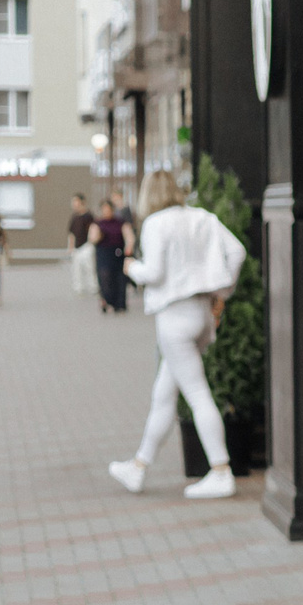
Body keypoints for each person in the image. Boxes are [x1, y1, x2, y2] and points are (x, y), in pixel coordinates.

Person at [107, 170, 245, 499]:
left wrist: (131, 269)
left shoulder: (156, 223)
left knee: (196, 394)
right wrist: (222, 292)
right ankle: (139, 467)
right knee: (164, 395)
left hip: (174, 318)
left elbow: (154, 272)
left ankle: (221, 470)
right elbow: (237, 252)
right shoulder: (203, 217)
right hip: (201, 314)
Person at [90, 195, 133, 312]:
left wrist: (129, 247)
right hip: (104, 253)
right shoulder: (98, 224)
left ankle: (119, 304)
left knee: (119, 279)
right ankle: (107, 300)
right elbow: (92, 238)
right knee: (105, 278)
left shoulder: (120, 222)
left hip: (118, 253)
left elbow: (128, 235)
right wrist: (98, 236)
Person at [67, 192, 96, 299]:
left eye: (76, 201)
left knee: (89, 267)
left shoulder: (88, 216)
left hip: (87, 245)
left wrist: (91, 243)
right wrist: (70, 247)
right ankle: (78, 287)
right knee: (76, 268)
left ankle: (93, 286)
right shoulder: (74, 217)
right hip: (76, 247)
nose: (74, 204)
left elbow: (93, 229)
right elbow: (71, 233)